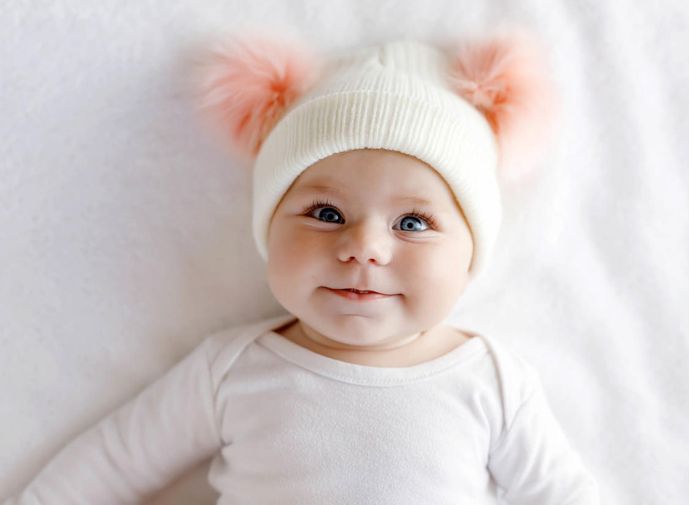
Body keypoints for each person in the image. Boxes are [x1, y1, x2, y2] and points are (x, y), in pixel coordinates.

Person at [2, 26, 599, 504]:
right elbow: (112, 462)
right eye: (326, 212)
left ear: (472, 252)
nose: (365, 247)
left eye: (412, 224)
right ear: (269, 228)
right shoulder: (231, 370)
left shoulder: (491, 382)